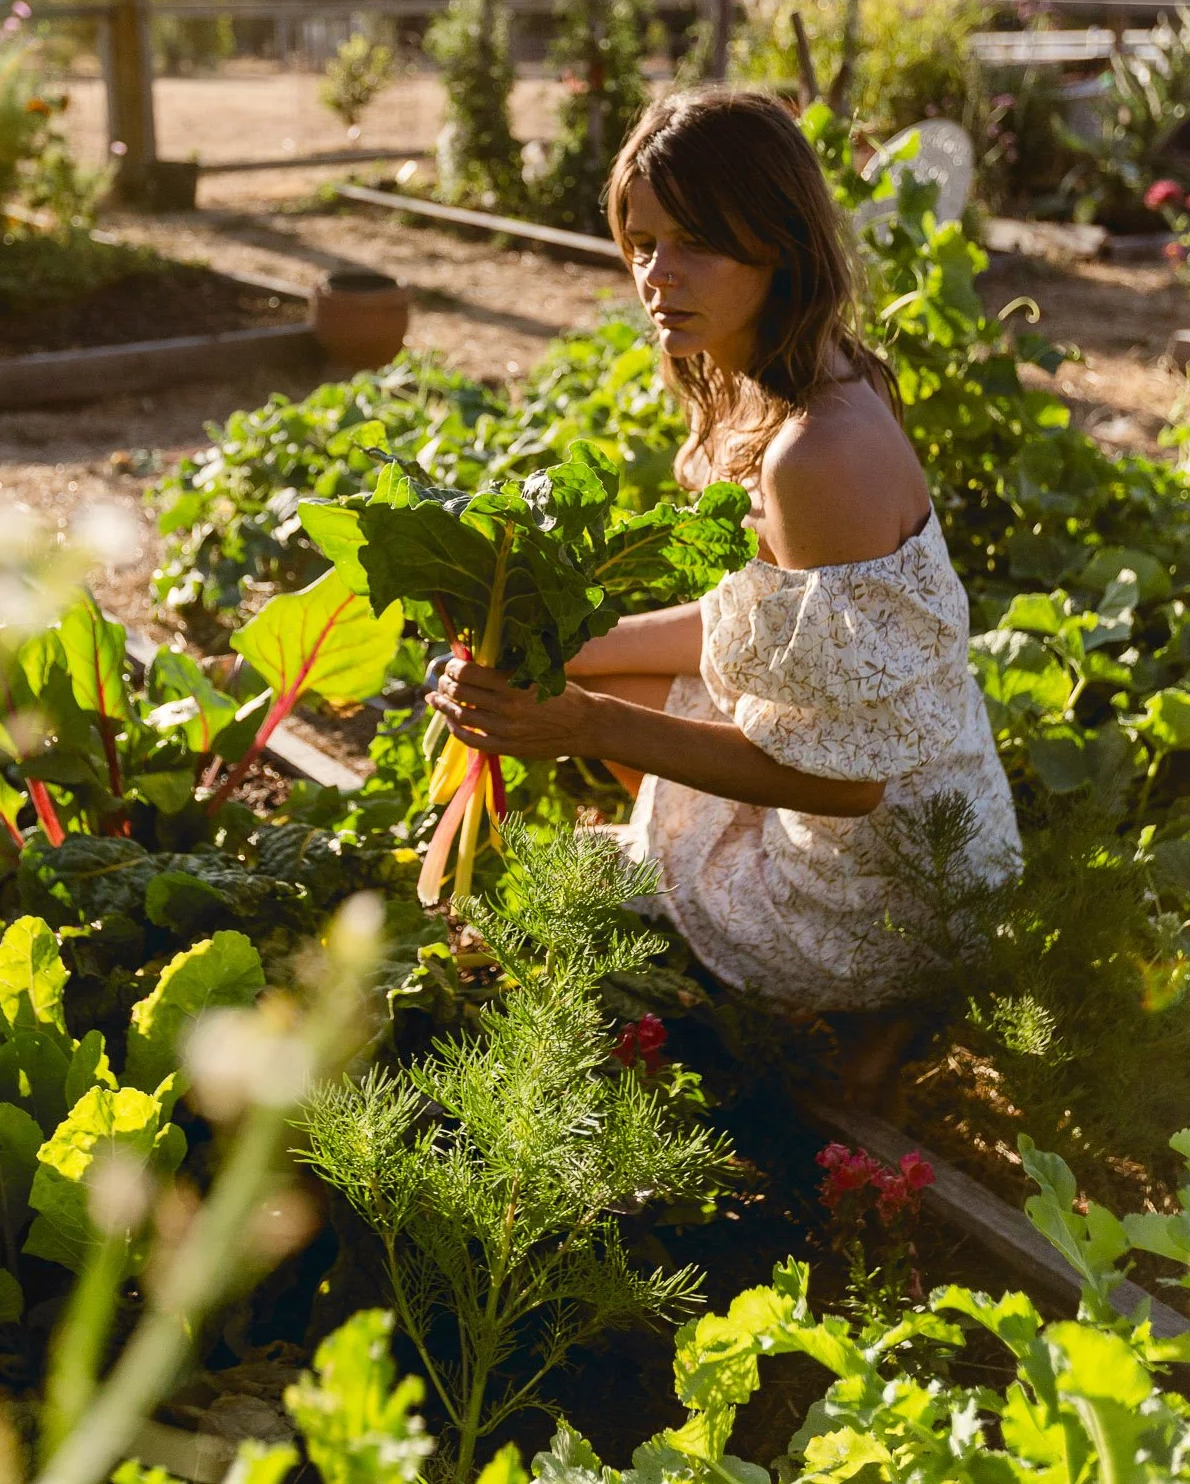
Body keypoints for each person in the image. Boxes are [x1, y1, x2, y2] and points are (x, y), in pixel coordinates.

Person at [430, 86, 1021, 1092]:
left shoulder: (814, 456)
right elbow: (750, 623)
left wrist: (581, 723)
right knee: (596, 681)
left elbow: (849, 784)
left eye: (696, 242)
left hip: (886, 884)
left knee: (600, 793)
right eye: (642, 242)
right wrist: (552, 649)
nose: (657, 276)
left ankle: (871, 999)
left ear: (778, 239)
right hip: (927, 801)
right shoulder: (782, 377)